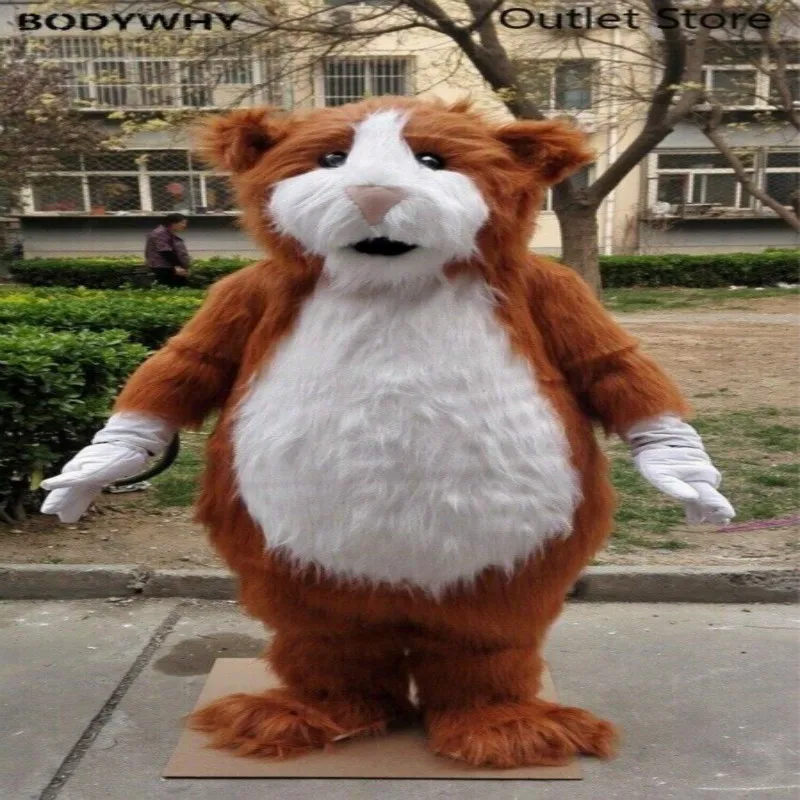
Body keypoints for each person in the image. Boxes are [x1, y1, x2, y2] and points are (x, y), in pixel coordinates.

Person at [145, 213, 191, 287]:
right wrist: (177, 266)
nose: (184, 226)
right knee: (172, 289)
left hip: (172, 267)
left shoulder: (169, 233)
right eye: (182, 223)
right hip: (163, 268)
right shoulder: (159, 233)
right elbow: (165, 251)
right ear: (173, 223)